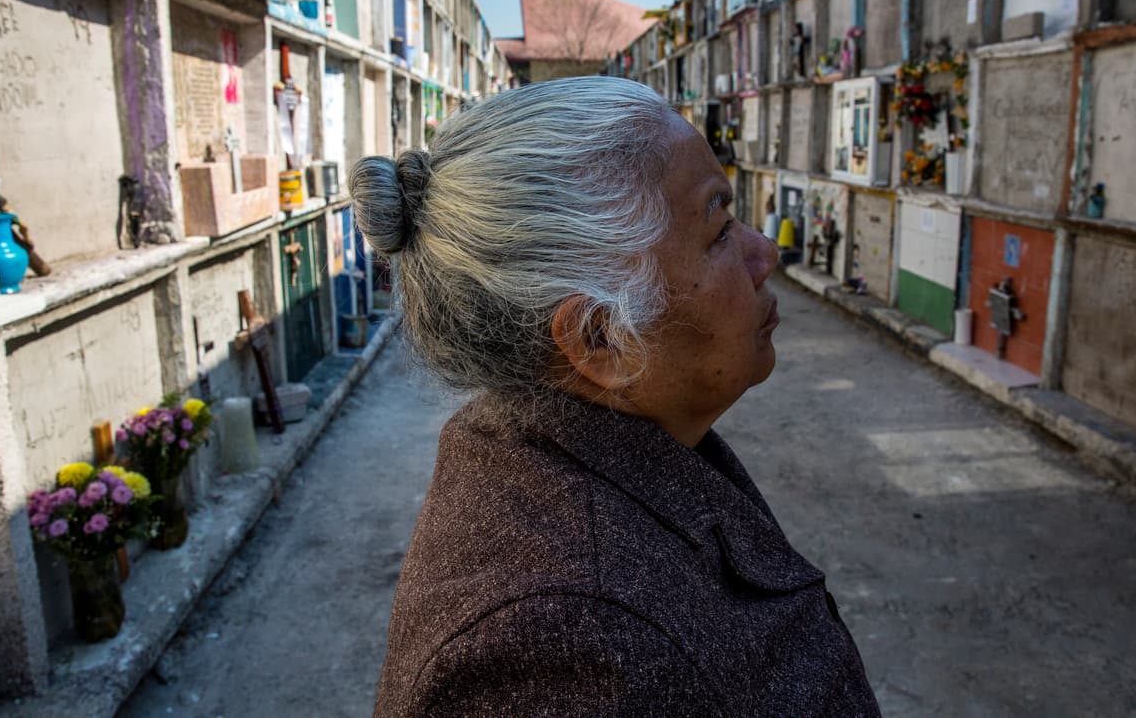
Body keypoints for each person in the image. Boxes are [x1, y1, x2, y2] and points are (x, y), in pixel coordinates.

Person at [350, 76, 879, 716]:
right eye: (717, 231)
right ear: (601, 340)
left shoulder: (558, 456)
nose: (763, 253)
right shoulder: (566, 645)